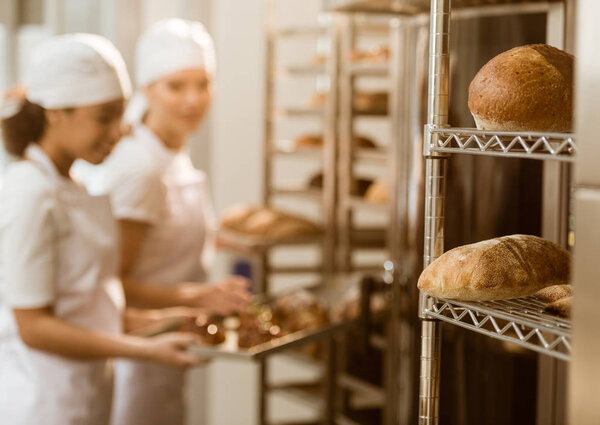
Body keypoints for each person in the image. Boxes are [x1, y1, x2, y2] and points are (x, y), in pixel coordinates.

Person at [0, 33, 203, 425]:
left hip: (86, 396)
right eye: (103, 117)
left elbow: (88, 307)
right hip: (40, 403)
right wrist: (144, 351)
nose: (119, 132)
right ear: (55, 112)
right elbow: (35, 328)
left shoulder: (71, 185)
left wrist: (172, 320)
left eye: (120, 115)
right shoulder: (29, 192)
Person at [92, 19, 249, 425]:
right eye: (176, 86)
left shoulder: (170, 150)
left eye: (203, 83)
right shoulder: (141, 166)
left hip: (169, 348)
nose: (192, 99)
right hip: (136, 359)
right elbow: (113, 283)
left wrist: (216, 238)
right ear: (148, 90)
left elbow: (157, 240)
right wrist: (200, 296)